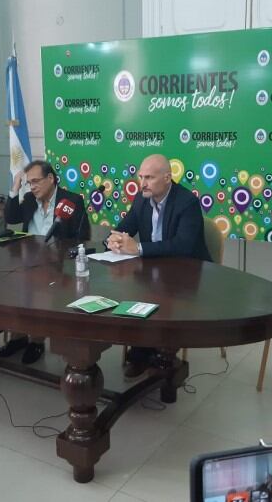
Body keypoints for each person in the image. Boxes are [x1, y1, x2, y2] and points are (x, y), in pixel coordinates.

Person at [107, 154, 210, 377]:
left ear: (167, 178)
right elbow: (125, 226)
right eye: (140, 176)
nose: (142, 183)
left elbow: (183, 245)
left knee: (159, 299)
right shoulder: (141, 197)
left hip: (185, 273)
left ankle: (160, 355)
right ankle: (142, 352)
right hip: (151, 270)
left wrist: (139, 248)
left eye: (149, 178)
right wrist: (113, 238)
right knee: (131, 293)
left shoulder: (187, 202)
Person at [0, 160, 89, 364]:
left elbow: (83, 235)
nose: (32, 186)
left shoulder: (71, 200)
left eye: (36, 181)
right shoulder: (30, 199)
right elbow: (11, 217)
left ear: (50, 178)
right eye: (29, 183)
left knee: (42, 293)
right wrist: (15, 187)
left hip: (57, 263)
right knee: (16, 290)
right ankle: (18, 337)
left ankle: (36, 341)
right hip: (28, 258)